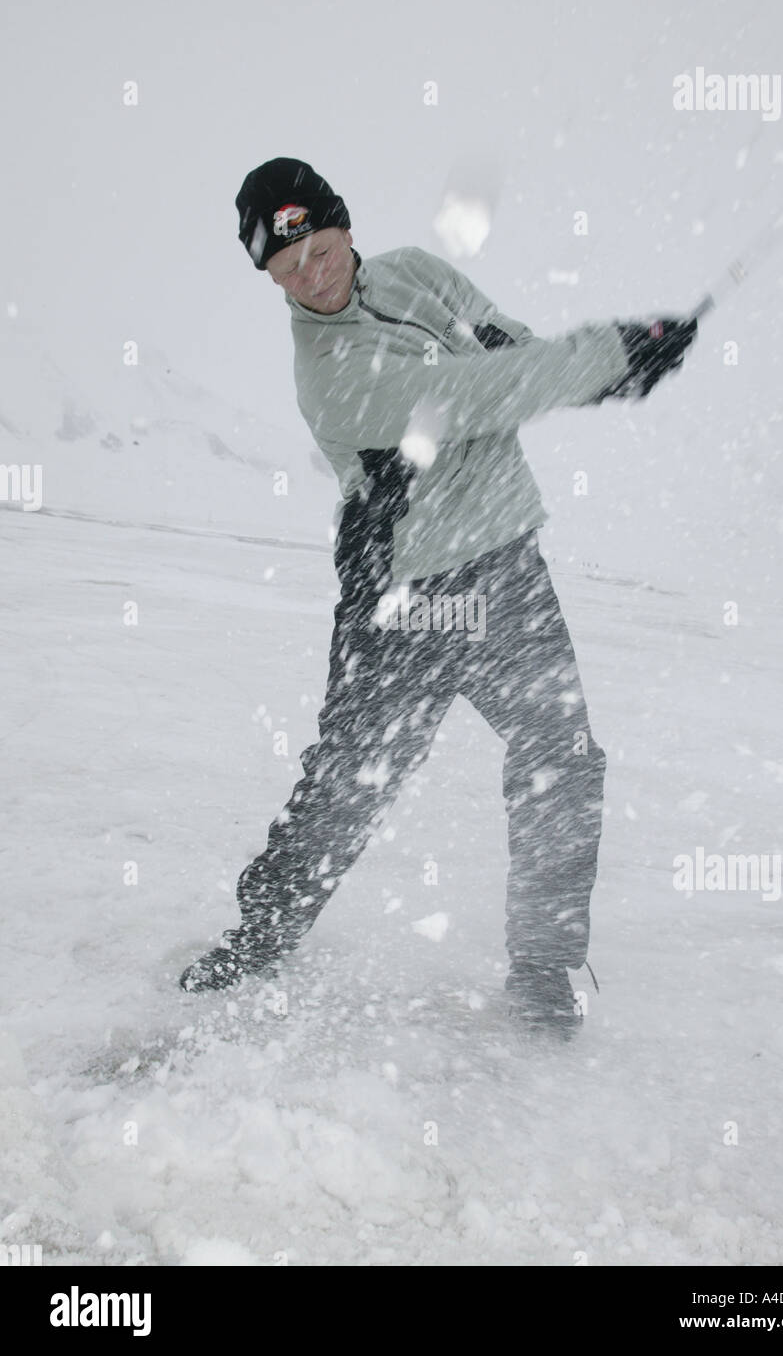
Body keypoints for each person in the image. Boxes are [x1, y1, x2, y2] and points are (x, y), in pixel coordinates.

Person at [179, 157, 698, 1035]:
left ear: (343, 225)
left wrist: (595, 358)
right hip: (405, 597)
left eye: (319, 246)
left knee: (561, 757)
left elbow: (510, 350)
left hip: (505, 566)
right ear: (270, 276)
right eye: (287, 267)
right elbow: (468, 396)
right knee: (354, 782)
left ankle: (542, 970)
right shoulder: (331, 375)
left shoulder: (418, 272)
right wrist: (608, 357)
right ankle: (262, 933)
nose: (313, 273)